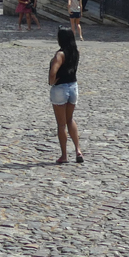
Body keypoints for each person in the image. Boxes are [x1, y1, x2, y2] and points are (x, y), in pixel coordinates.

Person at [49, 27, 83, 164]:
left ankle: (64, 155)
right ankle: (78, 150)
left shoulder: (60, 55)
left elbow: (53, 72)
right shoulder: (75, 52)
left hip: (60, 89)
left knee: (61, 124)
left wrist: (52, 82)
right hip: (73, 86)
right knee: (70, 119)